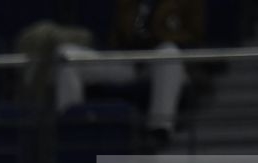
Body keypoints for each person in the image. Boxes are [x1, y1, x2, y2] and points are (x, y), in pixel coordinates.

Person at [53, 0, 200, 144]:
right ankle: (70, 128)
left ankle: (160, 129)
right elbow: (118, 37)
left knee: (169, 51)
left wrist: (158, 36)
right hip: (130, 60)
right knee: (66, 54)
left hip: (165, 63)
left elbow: (195, 37)